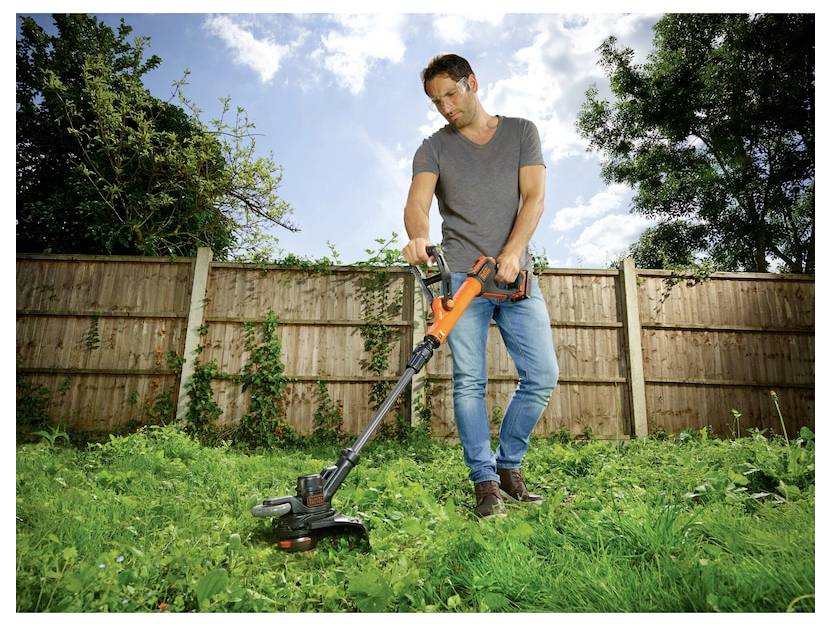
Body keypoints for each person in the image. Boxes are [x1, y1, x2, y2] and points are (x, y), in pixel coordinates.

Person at [401, 54, 559, 518]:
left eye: (451, 94)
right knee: (469, 382)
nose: (446, 107)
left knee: (542, 375)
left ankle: (508, 465)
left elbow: (534, 197)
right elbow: (417, 204)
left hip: (515, 278)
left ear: (472, 82)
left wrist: (512, 252)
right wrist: (418, 237)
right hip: (464, 280)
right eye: (436, 102)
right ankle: (485, 483)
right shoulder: (433, 148)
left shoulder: (521, 133)